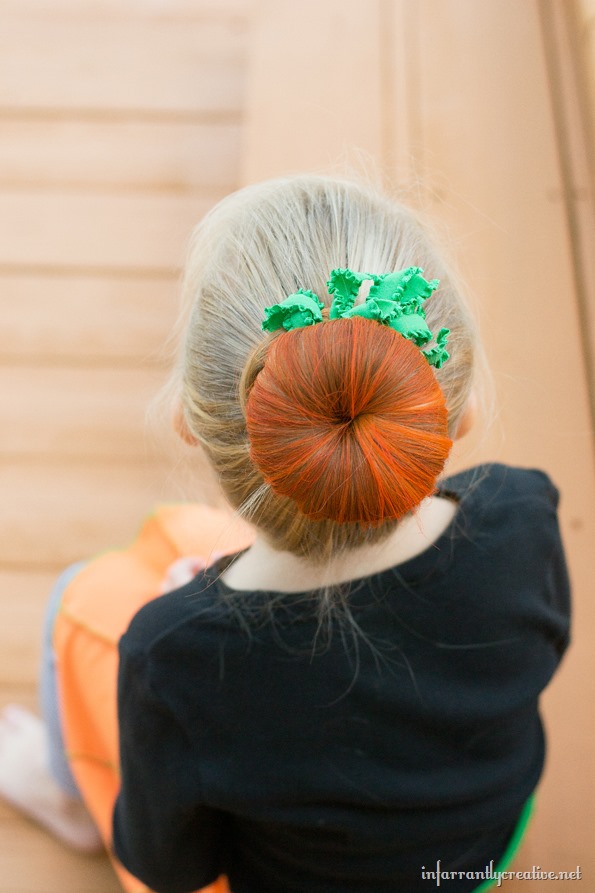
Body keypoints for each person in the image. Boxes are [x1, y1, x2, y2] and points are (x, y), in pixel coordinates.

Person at [0, 176, 571, 893]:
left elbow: (169, 866)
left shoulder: (171, 652)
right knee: (177, 546)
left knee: (80, 593)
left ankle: (66, 799)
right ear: (460, 413)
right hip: (477, 853)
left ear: (190, 420)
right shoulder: (523, 511)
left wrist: (195, 616)